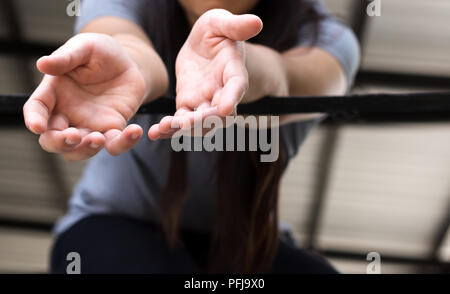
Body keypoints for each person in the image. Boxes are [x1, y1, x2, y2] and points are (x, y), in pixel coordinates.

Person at [23, 0, 360, 274]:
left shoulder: (326, 36)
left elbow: (290, 79)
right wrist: (130, 65)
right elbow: (128, 45)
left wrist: (241, 65)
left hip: (249, 243)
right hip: (115, 224)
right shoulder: (125, 4)